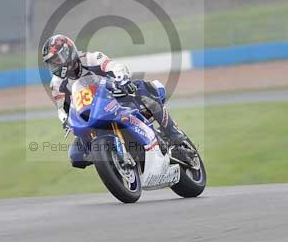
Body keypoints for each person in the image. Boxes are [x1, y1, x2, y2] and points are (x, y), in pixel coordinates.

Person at [41, 34, 185, 169]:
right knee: (76, 156)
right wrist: (66, 120)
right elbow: (62, 109)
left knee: (144, 91)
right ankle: (110, 159)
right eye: (52, 63)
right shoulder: (56, 84)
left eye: (58, 60)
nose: (56, 66)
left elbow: (114, 66)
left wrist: (122, 79)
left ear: (69, 52)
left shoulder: (91, 58)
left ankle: (173, 131)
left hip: (116, 96)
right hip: (91, 114)